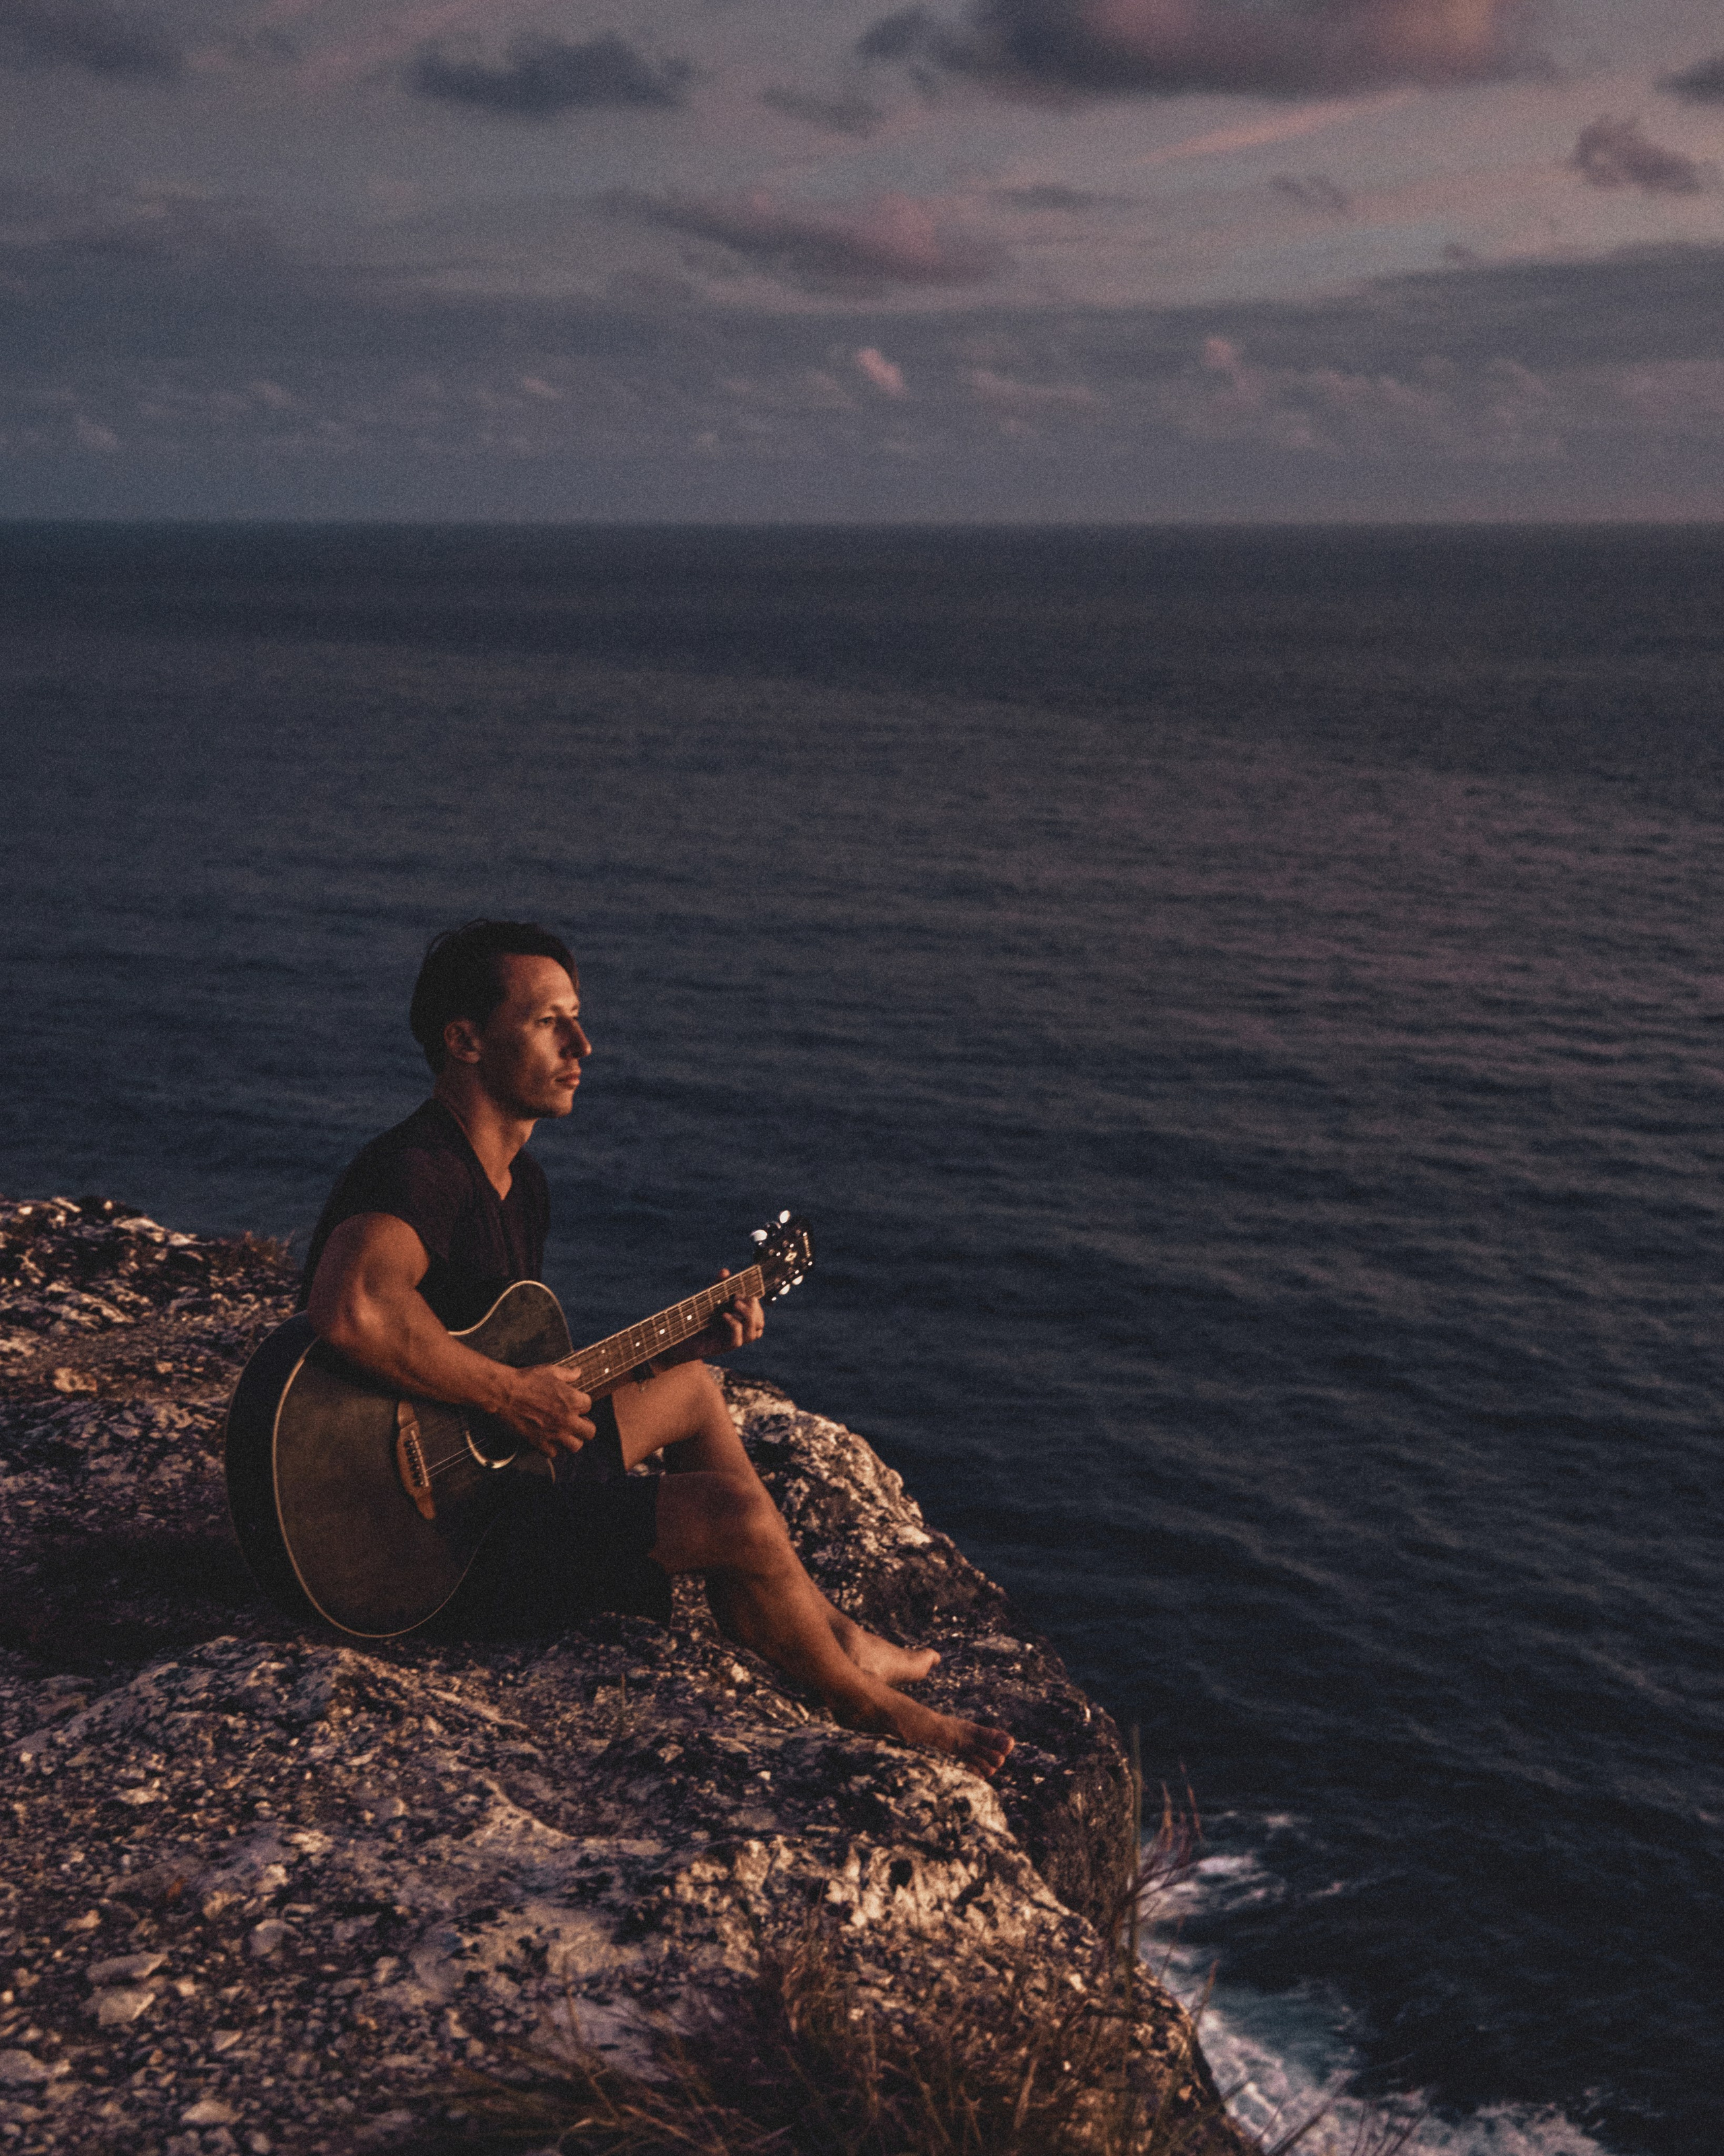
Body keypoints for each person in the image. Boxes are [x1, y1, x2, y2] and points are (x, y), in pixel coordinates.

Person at [300, 919, 1014, 1778]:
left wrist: (682, 1342)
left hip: (477, 1473)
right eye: (547, 1022)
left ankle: (825, 1630)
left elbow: (500, 1352)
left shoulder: (517, 1182)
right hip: (422, 1545)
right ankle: (860, 1701)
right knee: (736, 1517)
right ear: (464, 1041)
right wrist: (506, 1395)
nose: (583, 1044)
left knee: (693, 1387)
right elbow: (352, 1307)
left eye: (578, 1018)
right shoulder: (420, 1170)